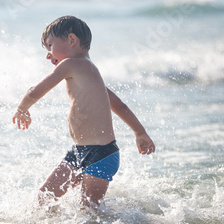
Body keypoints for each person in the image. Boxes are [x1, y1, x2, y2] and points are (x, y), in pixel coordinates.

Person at [12, 15, 155, 208]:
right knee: (44, 199)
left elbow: (35, 91)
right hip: (79, 152)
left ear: (71, 40)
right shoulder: (91, 74)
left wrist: (22, 108)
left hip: (101, 155)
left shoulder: (71, 65)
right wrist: (139, 132)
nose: (48, 55)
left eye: (50, 46)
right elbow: (120, 106)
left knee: (89, 212)